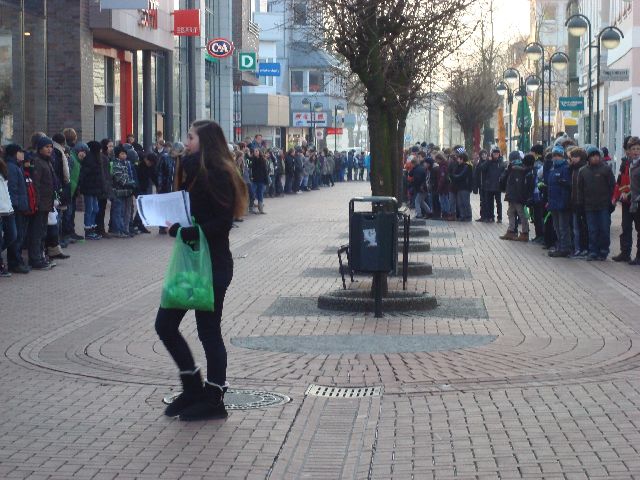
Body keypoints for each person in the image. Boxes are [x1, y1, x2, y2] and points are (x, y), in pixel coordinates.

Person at [155, 120, 248, 421]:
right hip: (192, 262)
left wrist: (184, 231)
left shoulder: (218, 172)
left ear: (205, 141)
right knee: (165, 324)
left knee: (209, 331)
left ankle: (214, 398)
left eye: (191, 137)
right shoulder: (193, 169)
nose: (186, 141)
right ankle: (193, 387)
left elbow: (222, 222)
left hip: (213, 264)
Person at [577, 146, 615, 261]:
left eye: (597, 155)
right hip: (589, 206)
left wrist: (611, 203)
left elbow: (612, 186)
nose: (595, 158)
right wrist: (580, 205)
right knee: (592, 230)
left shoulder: (606, 169)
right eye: (592, 156)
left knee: (604, 229)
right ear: (588, 158)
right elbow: (580, 190)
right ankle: (593, 250)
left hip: (604, 205)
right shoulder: (583, 171)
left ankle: (603, 250)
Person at [28, 135, 57, 270]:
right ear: (40, 148)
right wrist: (37, 203)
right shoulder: (38, 162)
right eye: (46, 147)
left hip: (46, 203)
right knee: (37, 232)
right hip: (40, 204)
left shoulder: (47, 161)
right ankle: (35, 259)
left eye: (51, 147)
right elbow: (36, 185)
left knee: (42, 232)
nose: (49, 149)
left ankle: (40, 256)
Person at [612, 136, 640, 263]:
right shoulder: (625, 163)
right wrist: (616, 196)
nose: (634, 151)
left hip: (636, 200)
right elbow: (619, 181)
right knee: (626, 227)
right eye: (631, 148)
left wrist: (629, 194)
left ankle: (638, 256)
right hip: (627, 201)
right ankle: (625, 252)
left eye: (637, 149)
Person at [3, 144, 30, 274]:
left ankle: (17, 261)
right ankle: (14, 263)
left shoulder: (15, 166)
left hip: (18, 207)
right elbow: (12, 189)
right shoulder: (12, 167)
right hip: (16, 208)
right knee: (16, 236)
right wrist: (17, 205)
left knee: (18, 235)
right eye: (20, 152)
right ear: (15, 153)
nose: (23, 154)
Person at [499, 152, 534, 241]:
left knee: (520, 213)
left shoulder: (515, 169)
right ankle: (512, 231)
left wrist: (517, 196)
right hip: (515, 195)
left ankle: (524, 232)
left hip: (516, 196)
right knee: (511, 212)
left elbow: (517, 184)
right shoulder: (517, 167)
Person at [547, 145, 573, 257]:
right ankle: (561, 246)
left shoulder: (566, 168)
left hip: (562, 203)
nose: (556, 158)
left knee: (563, 227)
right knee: (557, 226)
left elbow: (568, 187)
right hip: (553, 202)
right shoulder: (552, 169)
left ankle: (565, 247)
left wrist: (564, 202)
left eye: (558, 155)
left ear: (562, 156)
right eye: (554, 155)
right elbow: (550, 187)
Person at [568, 147, 589, 258]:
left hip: (582, 203)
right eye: (572, 157)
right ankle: (577, 248)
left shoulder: (583, 169)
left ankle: (582, 248)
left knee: (582, 227)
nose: (573, 159)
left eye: (575, 157)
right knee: (576, 227)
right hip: (574, 202)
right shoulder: (572, 169)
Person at [480, 147, 504, 223]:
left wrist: (501, 179)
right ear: (492, 154)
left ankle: (499, 217)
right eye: (494, 153)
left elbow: (503, 172)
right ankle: (490, 217)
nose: (496, 154)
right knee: (489, 203)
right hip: (489, 186)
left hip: (497, 186)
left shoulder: (501, 162)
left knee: (498, 203)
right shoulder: (488, 162)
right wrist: (488, 161)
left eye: (497, 153)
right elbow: (482, 168)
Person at [250, 148, 269, 214]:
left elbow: (265, 171)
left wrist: (266, 180)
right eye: (254, 151)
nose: (255, 152)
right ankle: (251, 207)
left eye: (256, 151)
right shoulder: (253, 159)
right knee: (252, 192)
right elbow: (251, 168)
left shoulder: (263, 160)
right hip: (254, 180)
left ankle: (261, 209)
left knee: (260, 194)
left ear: (259, 152)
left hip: (261, 180)